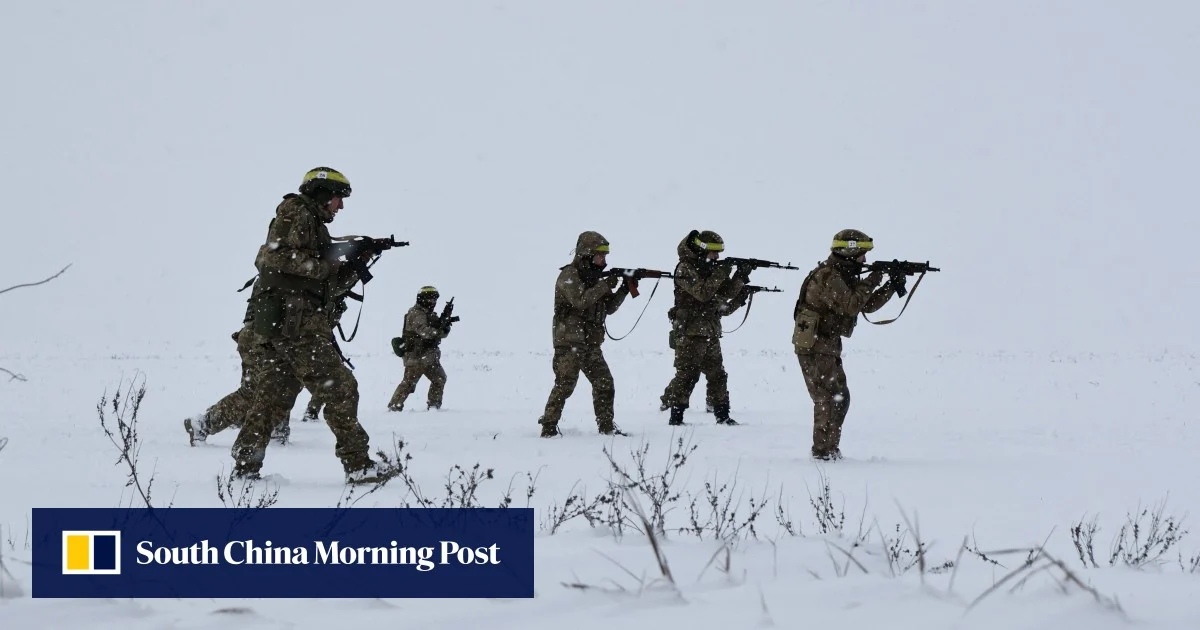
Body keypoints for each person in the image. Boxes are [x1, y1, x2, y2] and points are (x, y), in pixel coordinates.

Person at [232, 166, 382, 483]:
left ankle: (245, 467)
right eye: (338, 198)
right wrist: (327, 265)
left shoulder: (313, 224)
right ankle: (359, 466)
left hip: (288, 325)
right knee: (341, 390)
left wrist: (358, 261)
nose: (340, 206)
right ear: (322, 193)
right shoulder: (295, 209)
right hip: (295, 325)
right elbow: (271, 258)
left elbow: (328, 286)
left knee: (273, 397)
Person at [791, 229, 899, 461]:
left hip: (826, 344)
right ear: (849, 253)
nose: (865, 261)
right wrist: (873, 279)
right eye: (862, 255)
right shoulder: (828, 276)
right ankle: (822, 452)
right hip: (815, 345)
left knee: (839, 397)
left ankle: (829, 448)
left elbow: (865, 305)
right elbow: (851, 305)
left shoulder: (842, 275)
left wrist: (891, 286)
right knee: (827, 398)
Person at [537, 231, 634, 437]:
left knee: (604, 382)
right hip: (570, 340)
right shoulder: (569, 275)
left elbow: (608, 308)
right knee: (565, 384)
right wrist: (605, 285)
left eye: (605, 256)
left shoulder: (596, 278)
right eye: (600, 255)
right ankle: (548, 427)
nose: (604, 260)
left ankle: (606, 427)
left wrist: (624, 289)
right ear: (587, 254)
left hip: (589, 341)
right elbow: (580, 301)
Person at [659, 230, 752, 426]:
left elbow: (724, 292)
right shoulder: (685, 268)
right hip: (691, 331)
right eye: (713, 252)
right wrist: (723, 271)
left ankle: (722, 415)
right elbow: (703, 293)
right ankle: (676, 417)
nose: (717, 257)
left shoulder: (709, 268)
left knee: (717, 374)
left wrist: (740, 275)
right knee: (687, 375)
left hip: (709, 330)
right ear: (702, 250)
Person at [387, 286, 452, 412]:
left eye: (434, 299)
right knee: (408, 384)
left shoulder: (429, 314)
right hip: (416, 357)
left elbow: (438, 332)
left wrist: (445, 327)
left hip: (429, 356)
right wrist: (439, 331)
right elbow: (424, 331)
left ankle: (433, 405)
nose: (432, 302)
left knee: (439, 379)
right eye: (429, 299)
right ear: (422, 299)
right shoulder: (416, 313)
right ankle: (394, 407)